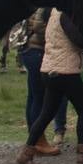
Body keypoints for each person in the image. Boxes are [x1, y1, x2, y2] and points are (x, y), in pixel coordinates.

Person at [16, 8, 83, 164]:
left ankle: (26, 154)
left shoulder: (53, 14)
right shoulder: (65, 15)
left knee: (46, 114)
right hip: (66, 71)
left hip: (50, 69)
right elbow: (78, 40)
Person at [16, 8, 65, 156]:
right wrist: (54, 33)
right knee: (39, 97)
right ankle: (38, 140)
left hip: (29, 50)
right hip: (36, 50)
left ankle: (34, 137)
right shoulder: (43, 3)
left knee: (33, 96)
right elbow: (38, 26)